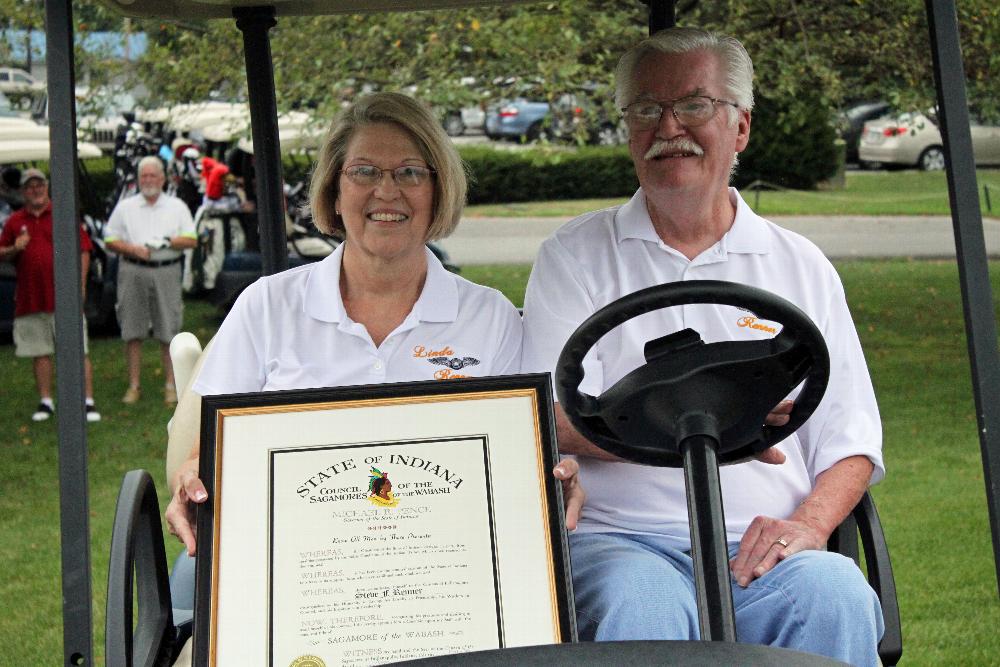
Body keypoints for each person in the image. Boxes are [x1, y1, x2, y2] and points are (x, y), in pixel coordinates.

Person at [520, 28, 884, 666]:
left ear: (740, 127)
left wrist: (811, 525)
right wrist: (706, 422)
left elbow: (850, 441)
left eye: (694, 105)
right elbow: (549, 417)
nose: (669, 127)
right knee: (643, 606)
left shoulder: (799, 265)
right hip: (623, 541)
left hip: (758, 542)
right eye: (645, 110)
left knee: (835, 595)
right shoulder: (574, 256)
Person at [163, 92, 584, 620]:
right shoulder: (268, 306)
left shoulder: (490, 317)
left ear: (437, 191)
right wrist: (191, 477)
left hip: (444, 570)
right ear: (334, 192)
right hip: (293, 562)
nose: (387, 191)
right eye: (364, 171)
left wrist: (551, 475)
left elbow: (519, 459)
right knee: (189, 591)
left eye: (410, 172)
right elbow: (210, 448)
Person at [0, 168, 101, 423]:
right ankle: (46, 401)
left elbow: (84, 250)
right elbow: (3, 254)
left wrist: (80, 286)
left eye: (40, 185)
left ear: (47, 187)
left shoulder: (63, 214)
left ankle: (86, 401)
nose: (36, 190)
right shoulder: (15, 222)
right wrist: (15, 247)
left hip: (64, 297)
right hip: (31, 298)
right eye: (30, 186)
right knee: (40, 351)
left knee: (78, 349)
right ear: (23, 192)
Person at [105, 155, 197, 405]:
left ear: (162, 178)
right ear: (138, 179)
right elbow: (109, 240)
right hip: (132, 269)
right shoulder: (126, 207)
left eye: (152, 175)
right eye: (143, 176)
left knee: (168, 329)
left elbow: (191, 239)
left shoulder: (176, 207)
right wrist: (132, 249)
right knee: (132, 330)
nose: (148, 180)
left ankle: (171, 385)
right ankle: (134, 386)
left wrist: (167, 242)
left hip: (166, 270)